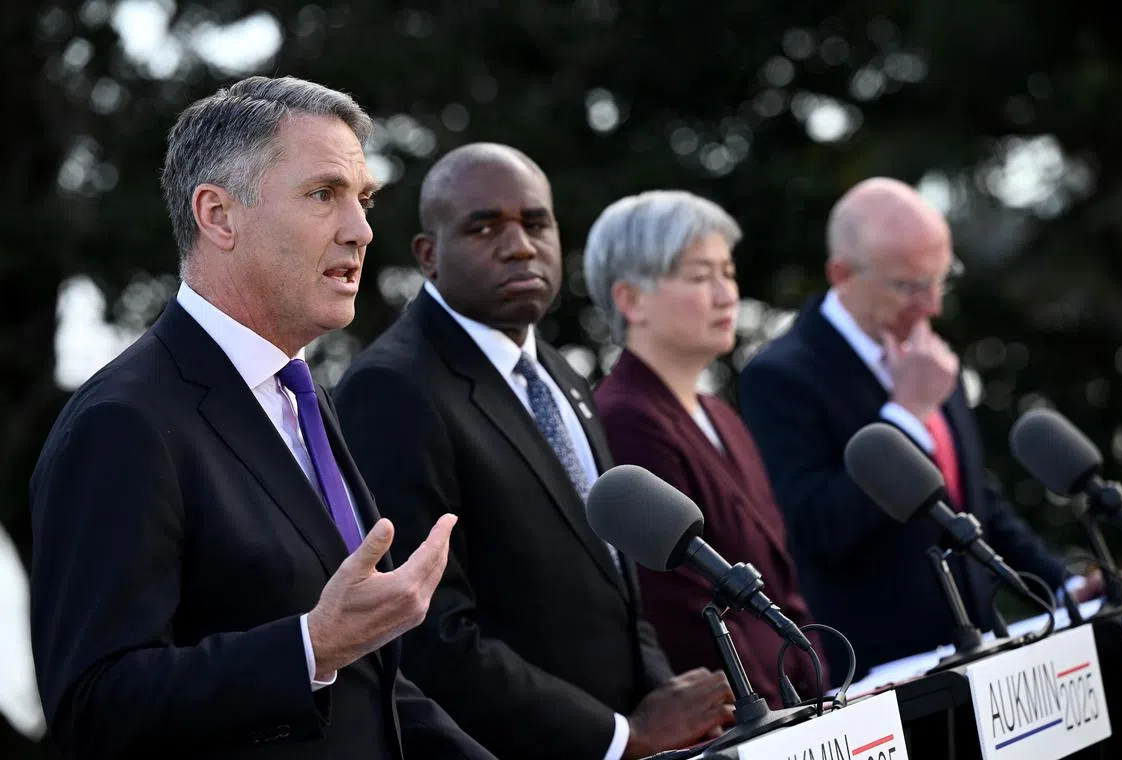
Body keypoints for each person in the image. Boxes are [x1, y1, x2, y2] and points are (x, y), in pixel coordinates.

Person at [29, 76, 495, 760]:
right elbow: (94, 706)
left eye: (363, 200)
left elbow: (370, 689)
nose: (362, 230)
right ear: (219, 216)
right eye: (323, 194)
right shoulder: (123, 422)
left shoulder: (299, 400)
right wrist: (310, 646)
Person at [333, 144, 735, 760]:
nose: (520, 245)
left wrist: (670, 713)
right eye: (485, 226)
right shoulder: (393, 388)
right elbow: (430, 634)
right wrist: (621, 736)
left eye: (536, 222)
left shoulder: (560, 374)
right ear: (428, 255)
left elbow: (621, 588)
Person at [739, 177, 1081, 680]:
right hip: (885, 677)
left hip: (981, 652)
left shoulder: (926, 354)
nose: (933, 304)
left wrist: (1063, 586)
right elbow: (816, 530)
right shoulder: (782, 374)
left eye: (941, 278)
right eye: (909, 285)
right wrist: (906, 415)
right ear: (842, 274)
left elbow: (971, 500)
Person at [584, 190, 828, 704]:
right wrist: (778, 715)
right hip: (747, 715)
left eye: (728, 273)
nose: (726, 295)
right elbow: (684, 608)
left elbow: (779, 578)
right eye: (699, 277)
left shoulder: (721, 414)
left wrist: (819, 686)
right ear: (630, 300)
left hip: (799, 702)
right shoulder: (626, 417)